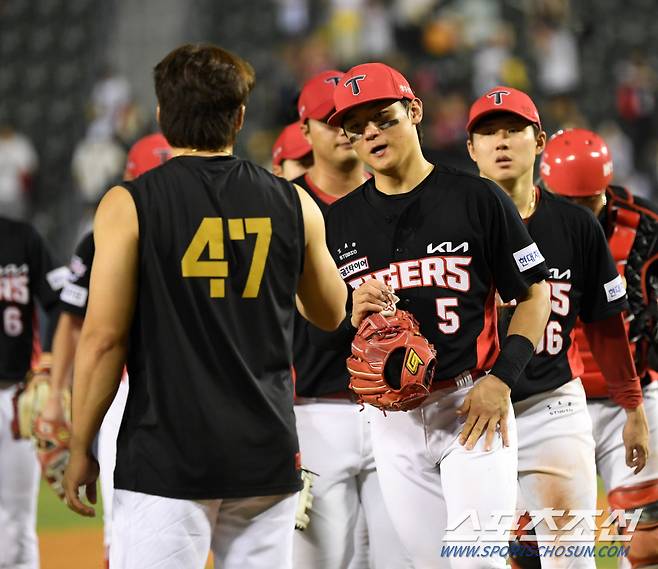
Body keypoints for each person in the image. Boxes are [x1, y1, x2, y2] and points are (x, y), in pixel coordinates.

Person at [62, 43, 347, 569]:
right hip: (266, 450)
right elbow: (330, 313)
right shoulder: (294, 201)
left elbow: (103, 339)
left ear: (162, 116)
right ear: (240, 117)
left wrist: (82, 446)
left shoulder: (129, 204)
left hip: (167, 455)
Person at [324, 62, 551, 569]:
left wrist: (502, 381)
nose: (371, 134)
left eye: (383, 117)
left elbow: (536, 296)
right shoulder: (338, 221)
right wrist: (346, 314)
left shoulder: (477, 197)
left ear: (414, 110)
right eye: (356, 127)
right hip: (390, 420)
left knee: (478, 562)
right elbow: (323, 324)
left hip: (473, 406)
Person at [465, 88, 649, 568]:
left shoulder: (576, 225)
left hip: (552, 406)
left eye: (513, 130)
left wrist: (632, 407)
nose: (500, 141)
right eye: (487, 132)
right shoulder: (447, 219)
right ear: (471, 148)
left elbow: (608, 326)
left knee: (571, 560)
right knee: (477, 555)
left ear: (539, 140)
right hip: (470, 414)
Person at [290, 70, 405, 569]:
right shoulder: (283, 204)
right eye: (331, 120)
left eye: (353, 122)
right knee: (315, 562)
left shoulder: (396, 198)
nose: (343, 132)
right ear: (305, 130)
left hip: (396, 408)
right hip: (312, 407)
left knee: (398, 559)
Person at [39, 132, 172, 566]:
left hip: (169, 390)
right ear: (132, 177)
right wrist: (58, 399)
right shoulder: (100, 237)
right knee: (124, 528)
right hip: (121, 390)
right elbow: (73, 323)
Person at [540, 128, 658, 569]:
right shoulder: (512, 222)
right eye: (565, 203)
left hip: (631, 398)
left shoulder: (644, 227)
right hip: (547, 400)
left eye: (586, 203)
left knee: (649, 542)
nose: (574, 214)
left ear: (605, 193)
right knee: (531, 549)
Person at [0, 217, 64, 568]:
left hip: (14, 398)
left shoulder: (20, 238)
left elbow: (61, 299)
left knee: (16, 527)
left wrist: (49, 362)